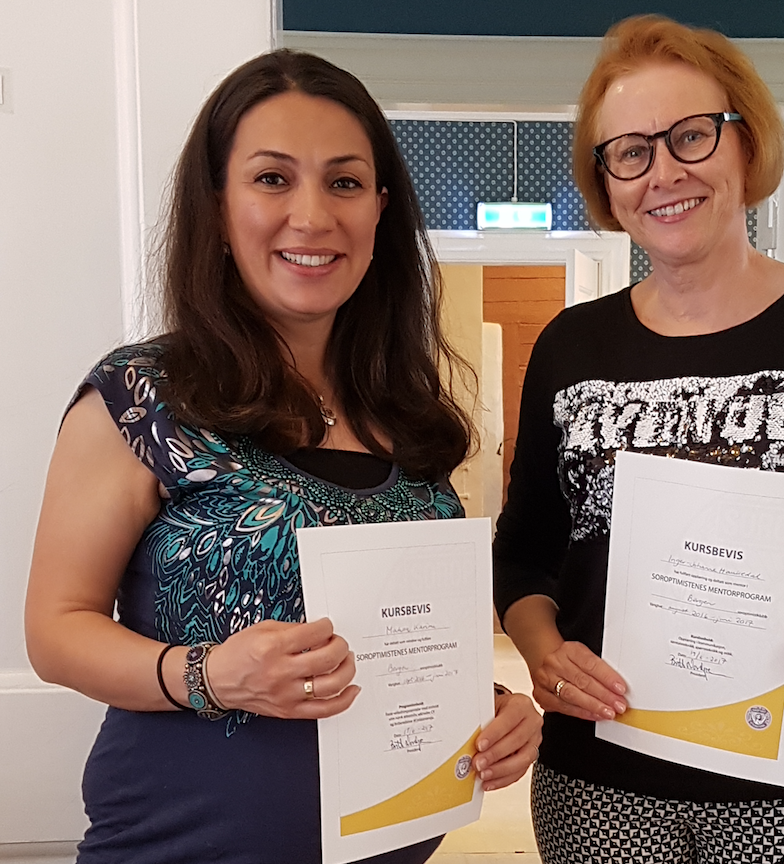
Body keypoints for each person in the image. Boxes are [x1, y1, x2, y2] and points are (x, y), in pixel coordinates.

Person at [24, 49, 541, 864]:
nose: (312, 216)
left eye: (344, 182)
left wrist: (491, 704)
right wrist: (208, 675)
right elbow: (55, 630)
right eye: (272, 179)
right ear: (217, 206)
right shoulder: (142, 397)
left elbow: (396, 637)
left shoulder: (406, 412)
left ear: (379, 210)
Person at [493, 15, 784, 864]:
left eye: (691, 135)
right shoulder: (570, 346)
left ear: (746, 143)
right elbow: (523, 553)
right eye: (629, 151)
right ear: (606, 181)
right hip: (603, 778)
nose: (662, 172)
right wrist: (545, 653)